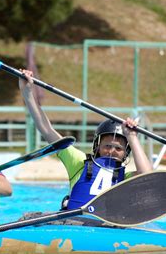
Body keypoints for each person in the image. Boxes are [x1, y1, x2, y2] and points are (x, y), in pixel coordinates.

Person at [19, 70, 152, 210]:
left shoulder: (125, 178)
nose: (112, 151)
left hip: (107, 226)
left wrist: (131, 136)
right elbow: (46, 129)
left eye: (118, 149)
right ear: (97, 146)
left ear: (126, 153)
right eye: (107, 146)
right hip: (74, 223)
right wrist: (27, 93)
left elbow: (148, 177)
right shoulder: (79, 162)